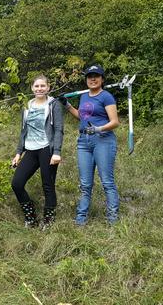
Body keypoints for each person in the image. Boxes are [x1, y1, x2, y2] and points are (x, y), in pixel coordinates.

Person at [60, 64, 120, 225]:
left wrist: (98, 128)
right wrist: (66, 104)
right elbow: (82, 116)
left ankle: (112, 219)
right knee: (85, 184)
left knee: (107, 181)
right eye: (89, 76)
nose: (92, 79)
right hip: (84, 142)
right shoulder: (84, 96)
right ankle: (81, 219)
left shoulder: (106, 96)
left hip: (103, 140)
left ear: (102, 79)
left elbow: (115, 122)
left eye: (96, 76)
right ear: (86, 79)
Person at [11, 75, 64, 229]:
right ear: (32, 88)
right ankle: (31, 217)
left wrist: (57, 152)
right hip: (31, 150)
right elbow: (23, 131)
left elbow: (59, 130)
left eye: (43, 86)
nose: (39, 89)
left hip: (47, 149)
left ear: (48, 88)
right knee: (17, 183)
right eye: (37, 86)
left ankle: (48, 220)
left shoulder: (54, 105)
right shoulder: (27, 106)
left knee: (48, 185)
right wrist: (18, 153)